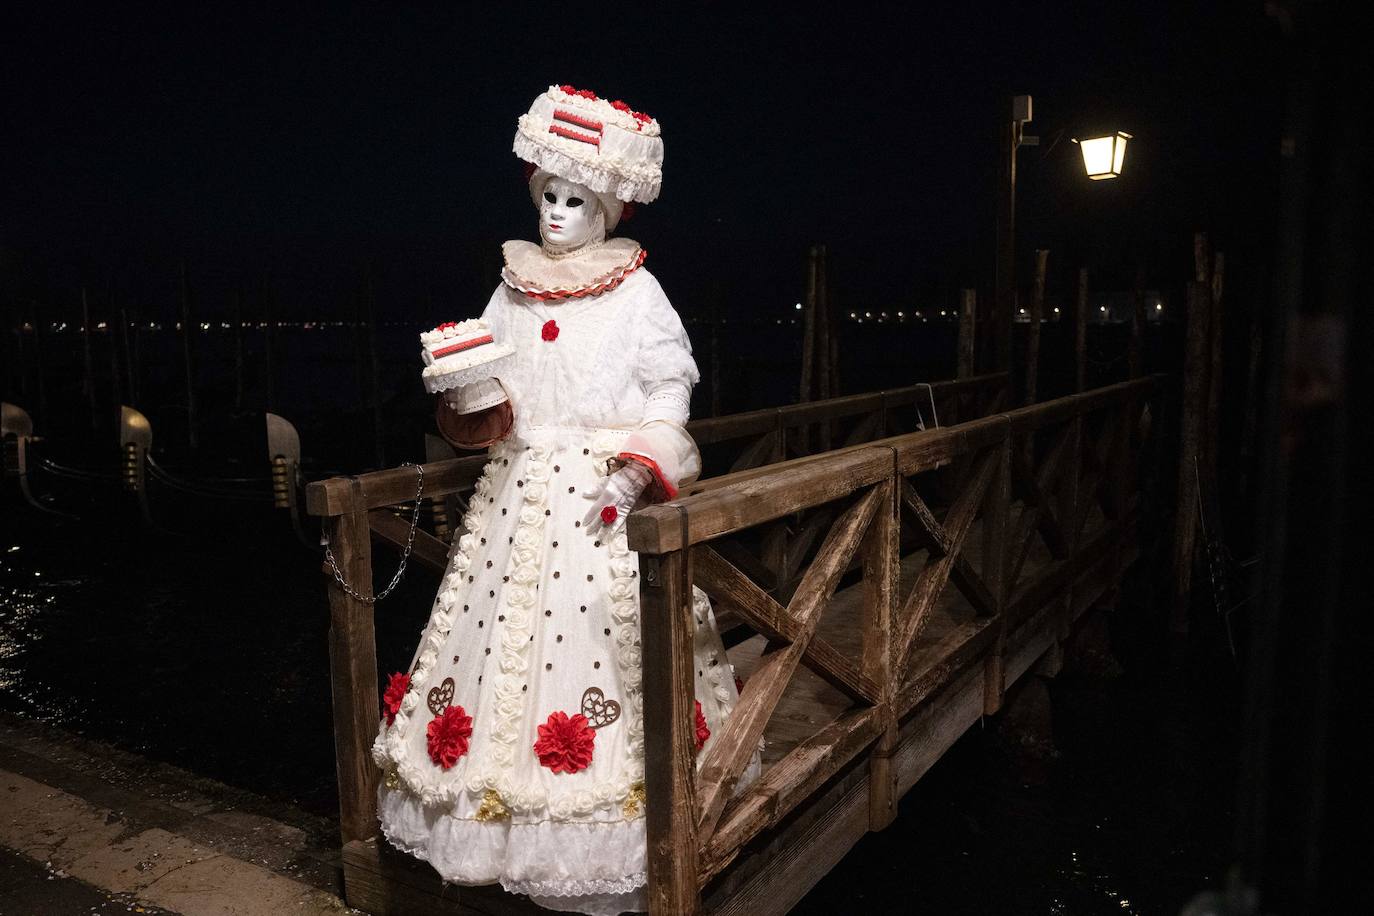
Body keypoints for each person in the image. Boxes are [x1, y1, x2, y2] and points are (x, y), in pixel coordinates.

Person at [371, 84, 749, 916]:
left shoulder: (638, 292)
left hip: (603, 509)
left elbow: (670, 383)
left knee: (603, 651)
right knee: (499, 656)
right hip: (514, 504)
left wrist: (638, 465)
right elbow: (494, 391)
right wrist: (466, 391)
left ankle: (605, 841)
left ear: (606, 210)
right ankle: (492, 835)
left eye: (575, 199)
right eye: (549, 195)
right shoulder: (511, 287)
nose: (557, 213)